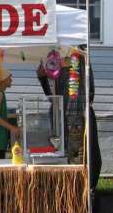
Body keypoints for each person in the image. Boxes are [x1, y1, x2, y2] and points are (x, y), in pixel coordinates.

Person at [36, 47, 102, 197]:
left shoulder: (81, 61)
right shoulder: (54, 63)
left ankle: (83, 194)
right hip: (62, 121)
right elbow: (52, 96)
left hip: (78, 119)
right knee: (65, 157)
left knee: (83, 158)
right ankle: (69, 195)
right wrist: (42, 78)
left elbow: (89, 93)